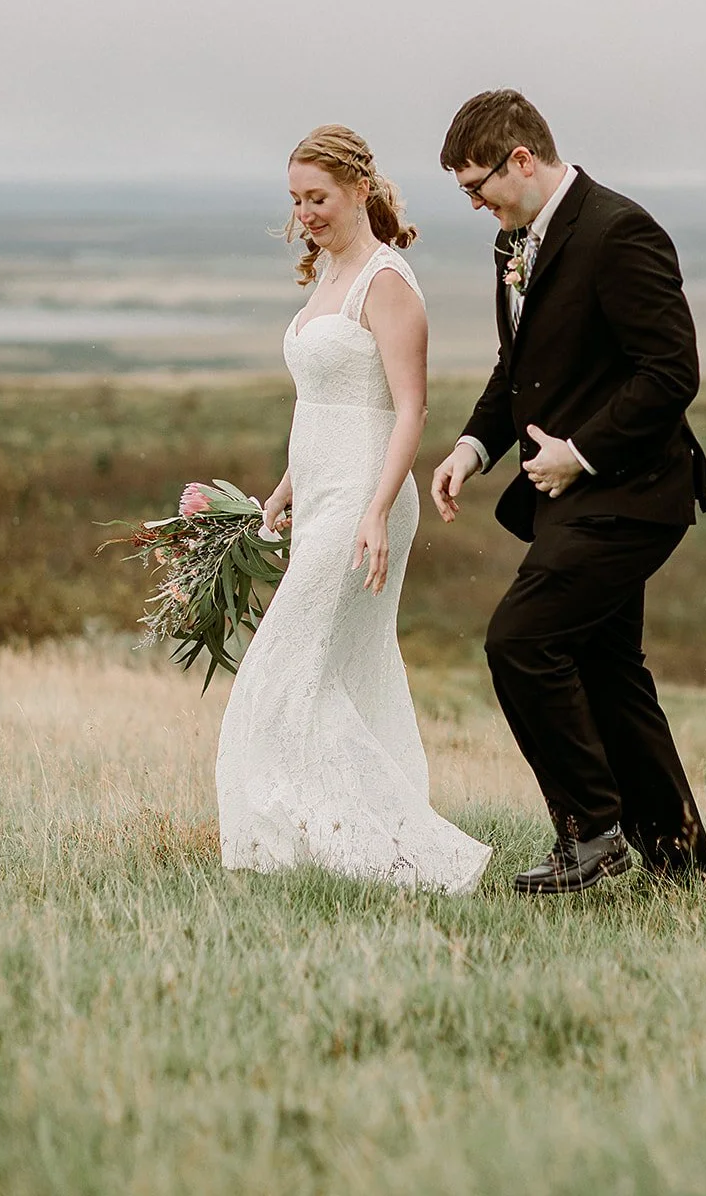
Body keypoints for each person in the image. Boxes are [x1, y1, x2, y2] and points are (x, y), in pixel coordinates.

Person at [431, 89, 706, 894]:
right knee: (607, 668)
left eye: (475, 186)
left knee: (521, 641)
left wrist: (581, 454)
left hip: (635, 491)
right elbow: (517, 369)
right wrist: (472, 446)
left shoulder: (618, 231)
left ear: (520, 159)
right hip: (575, 493)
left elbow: (671, 374)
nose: (474, 203)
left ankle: (589, 832)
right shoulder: (512, 242)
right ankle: (680, 863)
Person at [216, 125, 491, 894]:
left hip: (368, 500)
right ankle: (325, 837)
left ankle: (383, 848)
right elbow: (325, 405)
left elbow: (408, 410)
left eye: (319, 197)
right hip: (322, 492)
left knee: (287, 663)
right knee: (332, 666)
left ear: (359, 190)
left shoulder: (386, 280)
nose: (305, 213)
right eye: (296, 200)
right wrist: (282, 489)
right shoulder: (328, 274)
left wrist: (373, 509)